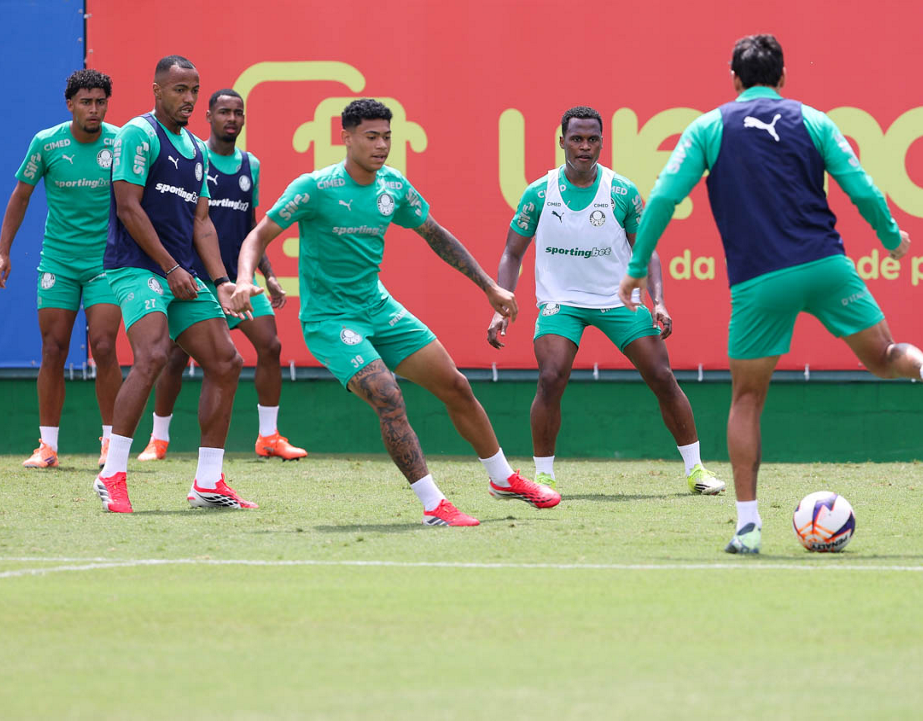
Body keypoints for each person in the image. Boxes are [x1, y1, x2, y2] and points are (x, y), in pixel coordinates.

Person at [618, 35, 923, 555]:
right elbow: (860, 185)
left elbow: (663, 196)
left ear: (734, 79)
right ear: (782, 78)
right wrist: (891, 237)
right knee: (886, 356)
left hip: (759, 281)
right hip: (825, 266)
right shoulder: (814, 120)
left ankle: (749, 527)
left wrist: (637, 268)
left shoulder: (709, 126)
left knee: (747, 399)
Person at [229, 98, 559, 527]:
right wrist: (242, 279)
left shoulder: (393, 187)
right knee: (388, 395)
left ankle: (502, 479)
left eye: (387, 136)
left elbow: (436, 235)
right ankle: (433, 505)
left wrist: (489, 286)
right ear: (345, 137)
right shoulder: (314, 188)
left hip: (379, 308)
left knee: (455, 386)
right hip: (331, 321)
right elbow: (257, 237)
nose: (381, 145)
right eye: (371, 136)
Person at [488, 106, 724, 494]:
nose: (585, 146)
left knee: (662, 376)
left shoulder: (621, 191)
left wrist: (659, 301)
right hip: (561, 300)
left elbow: (646, 249)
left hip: (619, 299)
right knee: (550, 377)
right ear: (561, 141)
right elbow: (512, 253)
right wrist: (502, 307)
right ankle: (544, 477)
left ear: (601, 142)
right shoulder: (539, 193)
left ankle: (696, 470)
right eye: (577, 138)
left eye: (592, 139)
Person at [94, 55, 254, 513]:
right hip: (137, 268)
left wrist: (221, 280)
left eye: (193, 90)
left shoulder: (199, 150)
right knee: (154, 355)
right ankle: (113, 474)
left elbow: (201, 222)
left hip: (181, 271)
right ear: (157, 90)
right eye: (179, 90)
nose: (188, 99)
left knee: (225, 361)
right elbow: (128, 207)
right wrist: (169, 268)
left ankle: (208, 483)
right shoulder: (138, 134)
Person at [136, 88, 306, 463]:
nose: (232, 119)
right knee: (175, 360)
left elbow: (251, 228)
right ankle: (158, 439)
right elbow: (192, 223)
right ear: (208, 116)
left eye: (238, 113)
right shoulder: (192, 156)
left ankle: (269, 436)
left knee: (271, 346)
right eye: (224, 112)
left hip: (237, 282)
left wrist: (269, 274)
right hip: (196, 279)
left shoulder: (251, 165)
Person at [0, 69, 122, 469]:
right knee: (53, 349)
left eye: (100, 101)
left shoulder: (121, 142)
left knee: (103, 346)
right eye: (86, 101)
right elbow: (20, 196)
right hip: (58, 262)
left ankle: (111, 444)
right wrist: (2, 252)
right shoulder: (46, 143)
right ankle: (47, 447)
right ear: (70, 104)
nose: (94, 109)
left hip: (106, 263)